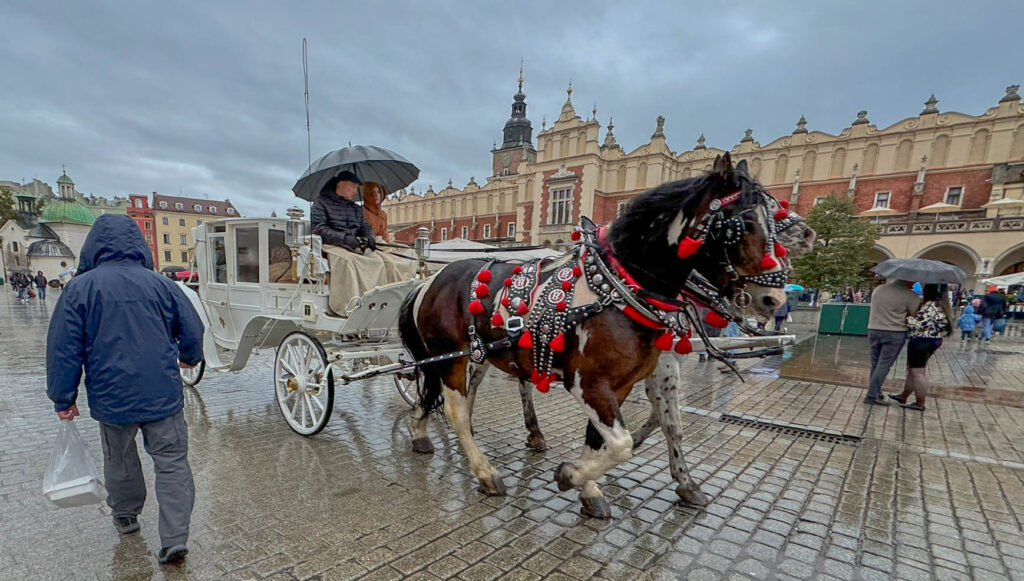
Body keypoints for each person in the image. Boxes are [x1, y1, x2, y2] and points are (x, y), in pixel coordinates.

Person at [46, 214, 203, 566]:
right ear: (138, 245)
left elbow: (63, 348)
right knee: (172, 462)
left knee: (119, 458)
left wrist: (63, 397)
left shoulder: (79, 288)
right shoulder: (162, 284)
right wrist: (190, 357)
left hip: (110, 393)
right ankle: (175, 538)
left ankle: (127, 515)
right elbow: (191, 327)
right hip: (161, 392)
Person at [311, 171, 388, 315]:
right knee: (348, 263)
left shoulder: (355, 208)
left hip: (353, 244)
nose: (355, 191)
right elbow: (319, 229)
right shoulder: (320, 204)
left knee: (377, 261)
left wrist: (369, 237)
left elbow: (365, 226)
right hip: (331, 245)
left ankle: (376, 303)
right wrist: (344, 238)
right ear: (341, 184)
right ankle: (349, 307)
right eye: (353, 187)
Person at [890, 284, 953, 411]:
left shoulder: (931, 305)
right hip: (932, 340)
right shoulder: (941, 305)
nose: (923, 289)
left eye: (925, 287)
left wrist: (907, 318)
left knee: (918, 372)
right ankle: (904, 395)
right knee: (913, 370)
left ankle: (920, 403)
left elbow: (919, 324)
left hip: (922, 340)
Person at [865, 278, 920, 406]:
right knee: (884, 365)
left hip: (873, 329)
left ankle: (876, 392)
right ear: (909, 280)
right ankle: (871, 396)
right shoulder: (909, 295)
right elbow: (915, 313)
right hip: (894, 332)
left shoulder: (878, 289)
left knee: (875, 364)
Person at [361, 181, 416, 283]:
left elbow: (384, 231)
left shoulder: (383, 214)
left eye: (379, 192)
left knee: (409, 252)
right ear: (367, 195)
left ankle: (409, 281)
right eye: (373, 193)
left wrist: (386, 235)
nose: (377, 195)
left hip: (383, 244)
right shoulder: (361, 212)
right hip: (371, 245)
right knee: (391, 264)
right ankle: (395, 286)